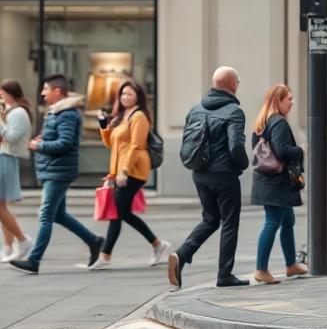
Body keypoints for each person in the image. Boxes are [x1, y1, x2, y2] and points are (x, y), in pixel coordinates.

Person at [9, 75, 104, 274]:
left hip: (59, 171)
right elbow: (58, 138)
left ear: (57, 91)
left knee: (45, 215)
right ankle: (94, 241)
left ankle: (34, 260)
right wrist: (43, 139)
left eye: (45, 89)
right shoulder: (55, 113)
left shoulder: (67, 114)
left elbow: (65, 143)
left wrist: (39, 145)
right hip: (53, 169)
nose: (42, 93)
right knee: (58, 215)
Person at [168, 66, 250, 290]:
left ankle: (182, 254)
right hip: (224, 176)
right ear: (233, 84)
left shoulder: (195, 109)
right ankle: (224, 274)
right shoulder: (234, 111)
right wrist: (243, 164)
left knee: (210, 219)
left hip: (200, 175)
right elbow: (236, 147)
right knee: (229, 222)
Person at [89, 80, 170, 270]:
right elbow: (111, 144)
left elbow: (136, 145)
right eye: (123, 94)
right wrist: (103, 124)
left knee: (117, 213)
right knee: (122, 212)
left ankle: (105, 256)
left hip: (134, 170)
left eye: (130, 94)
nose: (125, 97)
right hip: (121, 171)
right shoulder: (121, 116)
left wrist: (124, 171)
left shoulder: (139, 116)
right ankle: (158, 244)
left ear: (138, 97)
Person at [251, 84, 307, 284]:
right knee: (273, 222)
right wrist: (300, 150)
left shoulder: (263, 121)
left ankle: (291, 265)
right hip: (277, 183)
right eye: (289, 99)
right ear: (278, 101)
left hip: (268, 181)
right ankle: (261, 269)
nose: (292, 102)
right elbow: (282, 151)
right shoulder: (279, 123)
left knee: (287, 221)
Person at [0, 80, 33, 262]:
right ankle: (7, 247)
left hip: (6, 159)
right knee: (2, 207)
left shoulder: (19, 113)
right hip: (3, 157)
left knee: (0, 207)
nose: (0, 96)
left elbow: (11, 137)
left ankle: (22, 240)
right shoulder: (11, 111)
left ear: (11, 93)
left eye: (2, 92)